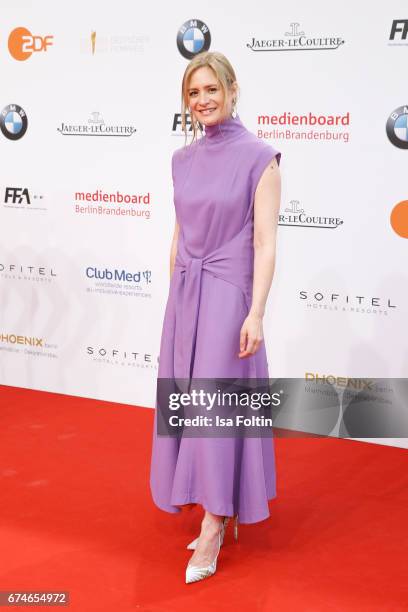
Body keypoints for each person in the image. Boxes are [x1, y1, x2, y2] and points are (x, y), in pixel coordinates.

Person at [150, 51, 282, 583]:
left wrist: (256, 311)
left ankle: (214, 521)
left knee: (216, 407)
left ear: (232, 89)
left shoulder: (260, 157)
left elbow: (267, 244)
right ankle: (205, 500)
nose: (203, 100)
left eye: (211, 89)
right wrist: (174, 291)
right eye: (193, 92)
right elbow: (180, 231)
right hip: (186, 290)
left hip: (229, 293)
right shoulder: (181, 160)